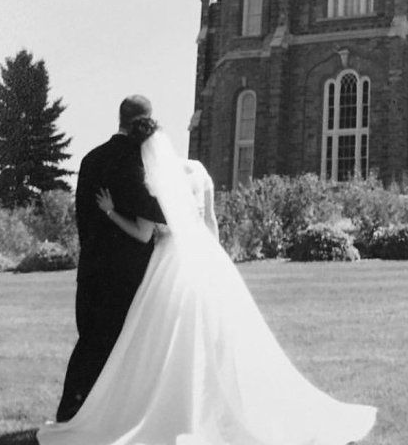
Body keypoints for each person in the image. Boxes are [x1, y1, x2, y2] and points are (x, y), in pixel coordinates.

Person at [38, 121, 377, 445]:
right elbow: (211, 222)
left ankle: (175, 411)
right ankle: (217, 410)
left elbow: (143, 235)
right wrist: (216, 264)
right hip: (206, 258)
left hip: (168, 262)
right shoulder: (199, 171)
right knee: (219, 340)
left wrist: (112, 211)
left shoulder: (153, 181)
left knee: (163, 341)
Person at [55, 94, 166, 423]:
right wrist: (182, 212)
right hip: (124, 275)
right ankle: (92, 417)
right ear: (146, 121)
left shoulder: (90, 159)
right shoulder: (135, 158)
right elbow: (143, 204)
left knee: (89, 343)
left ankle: (74, 412)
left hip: (90, 271)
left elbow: (82, 218)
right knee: (115, 348)